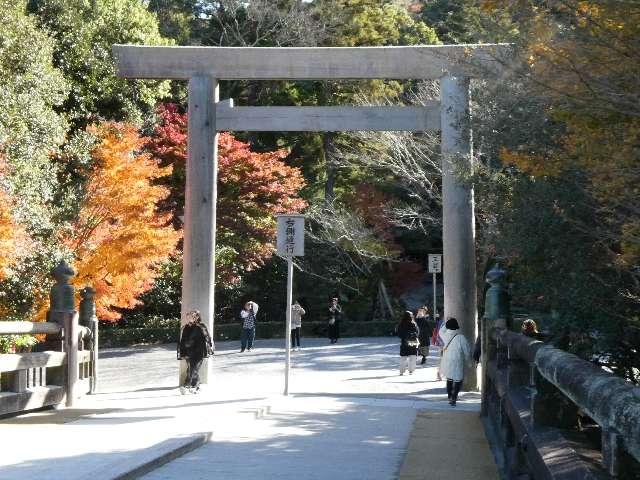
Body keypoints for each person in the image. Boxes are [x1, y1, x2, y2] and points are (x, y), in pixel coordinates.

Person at [177, 310, 214, 394]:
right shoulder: (186, 327)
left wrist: (210, 348)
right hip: (189, 352)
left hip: (200, 351)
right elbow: (183, 340)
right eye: (189, 316)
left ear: (197, 317)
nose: (190, 317)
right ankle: (196, 386)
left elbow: (207, 338)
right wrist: (183, 352)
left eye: (193, 316)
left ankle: (187, 385)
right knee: (192, 369)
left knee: (193, 368)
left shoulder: (201, 326)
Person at [439, 317, 472, 407]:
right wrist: (469, 361)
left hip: (447, 360)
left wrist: (447, 322)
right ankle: (454, 397)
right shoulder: (461, 337)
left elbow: (441, 330)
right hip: (457, 360)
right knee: (458, 379)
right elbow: (466, 351)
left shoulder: (444, 335)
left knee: (449, 378)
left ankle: (450, 396)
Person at [397, 311, 420, 375]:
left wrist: (404, 336)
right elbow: (417, 333)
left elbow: (399, 334)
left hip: (404, 342)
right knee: (412, 356)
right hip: (413, 342)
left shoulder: (401, 324)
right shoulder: (414, 324)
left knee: (403, 357)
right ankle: (411, 370)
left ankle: (401, 371)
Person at [431, 313, 444, 380]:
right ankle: (439, 373)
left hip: (442, 344)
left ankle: (439, 373)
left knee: (442, 359)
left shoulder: (440, 322)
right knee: (442, 359)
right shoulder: (442, 322)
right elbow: (439, 334)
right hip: (444, 344)